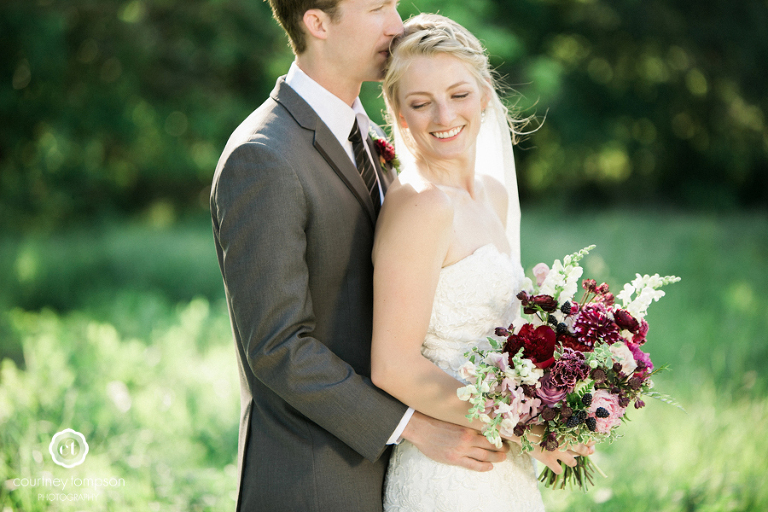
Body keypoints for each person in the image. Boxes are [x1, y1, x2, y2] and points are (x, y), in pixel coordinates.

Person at [209, 2, 510, 510]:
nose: (396, 25)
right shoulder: (263, 156)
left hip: (411, 475)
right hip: (315, 479)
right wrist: (414, 426)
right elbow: (277, 348)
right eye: (376, 8)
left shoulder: (371, 136)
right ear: (317, 22)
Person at [370, 14, 593, 510]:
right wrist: (527, 425)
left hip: (502, 461)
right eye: (421, 104)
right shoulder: (421, 205)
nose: (444, 116)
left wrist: (563, 403)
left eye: (459, 94)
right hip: (449, 472)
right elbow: (392, 366)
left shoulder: (492, 196)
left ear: (485, 93)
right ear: (400, 115)